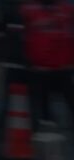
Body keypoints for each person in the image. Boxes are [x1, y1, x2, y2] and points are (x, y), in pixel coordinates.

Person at [20, 0, 74, 132]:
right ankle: (47, 132)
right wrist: (28, 61)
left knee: (70, 100)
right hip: (41, 69)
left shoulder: (67, 10)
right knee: (44, 106)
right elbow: (23, 37)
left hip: (62, 67)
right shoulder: (29, 10)